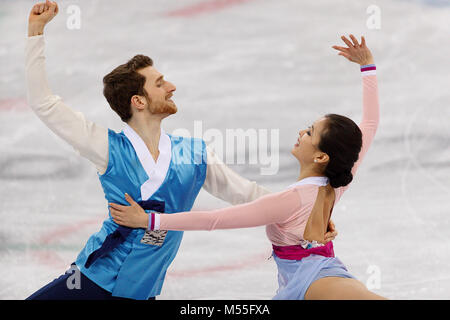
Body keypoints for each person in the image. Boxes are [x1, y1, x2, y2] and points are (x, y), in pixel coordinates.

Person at [24, 1, 338, 300]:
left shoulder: (194, 155)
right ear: (139, 101)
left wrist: (309, 215)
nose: (171, 86)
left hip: (142, 290)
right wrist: (36, 32)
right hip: (92, 282)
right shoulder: (108, 148)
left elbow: (249, 195)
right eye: (159, 83)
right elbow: (45, 104)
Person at [110, 35, 386, 300]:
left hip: (318, 280)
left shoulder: (289, 201)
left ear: (321, 157)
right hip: (304, 279)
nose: (302, 132)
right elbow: (370, 125)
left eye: (311, 132)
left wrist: (149, 221)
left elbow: (214, 220)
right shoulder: (338, 181)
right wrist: (367, 66)